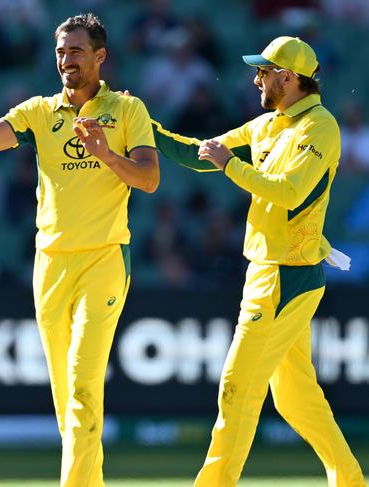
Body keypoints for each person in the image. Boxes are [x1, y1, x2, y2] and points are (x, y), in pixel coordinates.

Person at [0, 13, 158, 487]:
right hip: (51, 265)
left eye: (76, 51)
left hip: (103, 259)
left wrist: (105, 153)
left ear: (100, 56)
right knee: (67, 399)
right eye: (60, 52)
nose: (65, 61)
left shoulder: (127, 110)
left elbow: (149, 178)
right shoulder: (39, 111)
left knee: (82, 387)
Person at [149, 36, 365, 486]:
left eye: (264, 72)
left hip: (286, 275)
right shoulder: (269, 125)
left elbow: (290, 193)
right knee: (294, 397)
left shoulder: (319, 127)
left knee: (236, 388)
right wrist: (139, 124)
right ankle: (350, 480)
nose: (256, 79)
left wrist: (232, 166)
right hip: (269, 271)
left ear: (289, 78)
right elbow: (197, 153)